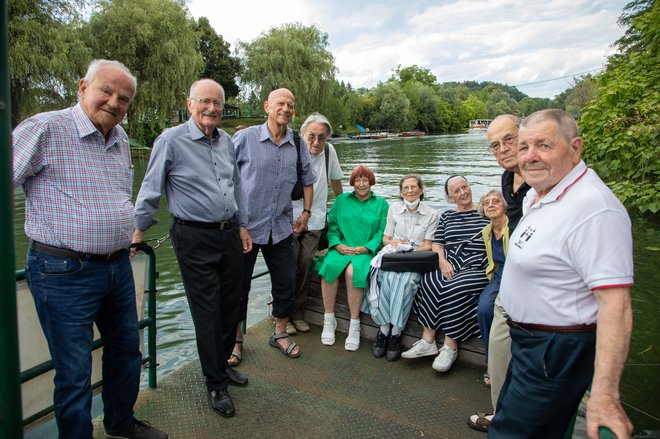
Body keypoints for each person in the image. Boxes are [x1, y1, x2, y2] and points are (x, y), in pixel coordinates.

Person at [12, 59, 167, 438]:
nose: (115, 102)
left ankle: (120, 422)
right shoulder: (44, 128)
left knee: (128, 352)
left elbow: (115, 198)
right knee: (75, 370)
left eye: (124, 98)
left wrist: (128, 231)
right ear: (83, 87)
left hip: (117, 267)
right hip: (62, 272)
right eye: (106, 91)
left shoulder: (121, 138)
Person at [489, 109, 634, 439]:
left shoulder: (594, 208)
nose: (530, 156)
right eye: (524, 147)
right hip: (529, 344)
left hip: (554, 350)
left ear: (576, 147)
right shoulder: (541, 194)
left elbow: (617, 306)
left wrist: (605, 396)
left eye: (543, 145)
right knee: (508, 423)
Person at [133, 79, 252, 418]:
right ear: (190, 104)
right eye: (206, 102)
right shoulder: (170, 140)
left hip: (228, 233)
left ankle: (222, 364)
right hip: (193, 236)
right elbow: (151, 186)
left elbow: (236, 186)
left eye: (218, 103)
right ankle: (215, 384)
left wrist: (242, 225)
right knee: (208, 311)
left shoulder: (227, 142)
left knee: (233, 304)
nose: (213, 108)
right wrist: (138, 230)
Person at [231, 88, 316, 361]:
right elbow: (225, 178)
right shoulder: (244, 138)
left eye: (291, 105)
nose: (286, 109)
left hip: (280, 226)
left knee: (284, 282)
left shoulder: (297, 142)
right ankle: (235, 339)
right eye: (281, 103)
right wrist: (235, 222)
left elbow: (308, 180)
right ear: (267, 106)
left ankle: (279, 332)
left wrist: (305, 212)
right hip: (246, 228)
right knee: (238, 286)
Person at [468, 114, 530, 433]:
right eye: (495, 144)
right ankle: (499, 411)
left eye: (509, 139)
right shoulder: (508, 180)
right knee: (499, 342)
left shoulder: (541, 179)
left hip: (538, 288)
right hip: (510, 282)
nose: (502, 149)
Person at [403, 175, 489, 373]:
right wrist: (442, 261)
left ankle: (450, 346)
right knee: (429, 281)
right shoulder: (447, 216)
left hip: (478, 264)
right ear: (451, 198)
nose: (463, 192)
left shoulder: (484, 211)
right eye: (456, 191)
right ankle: (428, 340)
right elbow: (437, 243)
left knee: (455, 287)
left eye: (464, 187)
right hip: (450, 261)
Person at [363, 174, 438, 361]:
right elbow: (385, 238)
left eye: (414, 187)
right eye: (406, 187)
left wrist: (410, 249)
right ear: (401, 191)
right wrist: (396, 243)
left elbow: (428, 245)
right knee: (385, 279)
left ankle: (396, 332)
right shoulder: (394, 209)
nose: (410, 190)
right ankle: (383, 329)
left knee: (406, 283)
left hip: (415, 259)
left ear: (421, 190)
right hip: (395, 257)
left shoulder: (431, 214)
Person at [316, 165, 389, 351]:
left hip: (365, 251)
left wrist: (367, 247)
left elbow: (382, 231)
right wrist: (338, 245)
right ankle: (329, 319)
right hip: (341, 248)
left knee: (353, 273)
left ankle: (354, 325)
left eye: (365, 180)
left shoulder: (381, 204)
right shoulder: (341, 200)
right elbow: (332, 227)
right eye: (358, 180)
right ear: (353, 182)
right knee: (328, 269)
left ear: (371, 182)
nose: (362, 184)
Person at [291, 112, 344, 333]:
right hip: (288, 218)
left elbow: (336, 181)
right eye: (311, 135)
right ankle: (280, 313)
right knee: (288, 264)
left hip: (315, 219)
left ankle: (298, 314)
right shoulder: (291, 149)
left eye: (321, 137)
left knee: (305, 263)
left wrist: (342, 210)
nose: (316, 142)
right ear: (303, 133)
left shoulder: (329, 152)